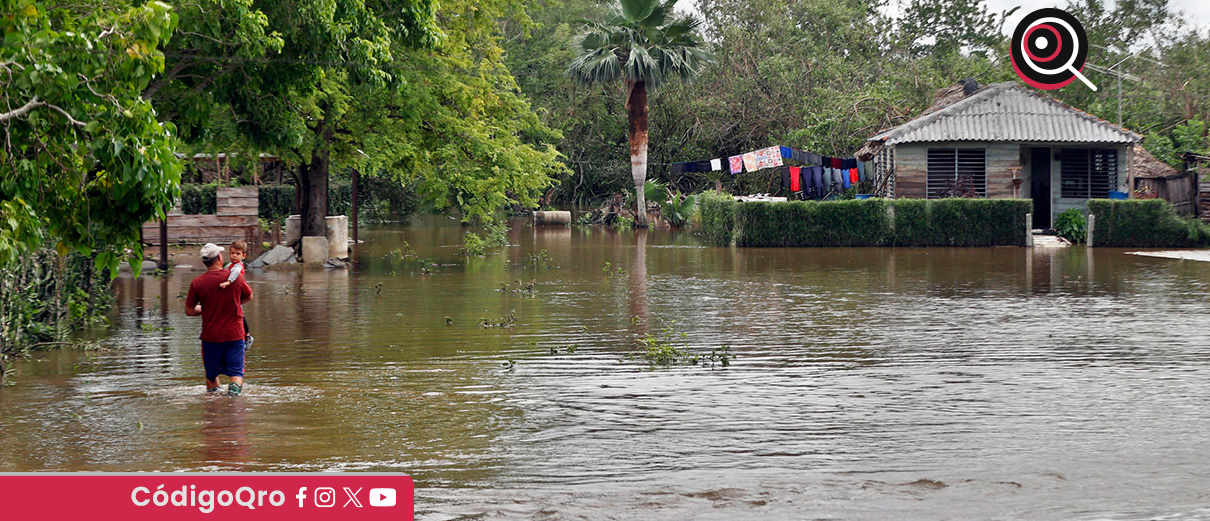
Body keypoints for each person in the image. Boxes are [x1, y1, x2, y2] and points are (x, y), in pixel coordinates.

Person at [185, 243, 253, 396]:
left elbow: (189, 311)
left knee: (211, 375)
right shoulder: (235, 277)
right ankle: (234, 400)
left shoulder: (197, 283)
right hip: (235, 334)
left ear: (204, 262)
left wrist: (209, 309)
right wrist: (233, 305)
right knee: (236, 373)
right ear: (220, 258)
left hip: (211, 337)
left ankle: (214, 404)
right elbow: (249, 296)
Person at [218, 240, 254, 349]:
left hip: (237, 293)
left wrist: (228, 282)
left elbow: (235, 273)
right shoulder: (230, 265)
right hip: (231, 293)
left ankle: (247, 336)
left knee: (240, 314)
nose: (234, 256)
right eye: (232, 253)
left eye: (237, 254)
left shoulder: (238, 266)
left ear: (243, 256)